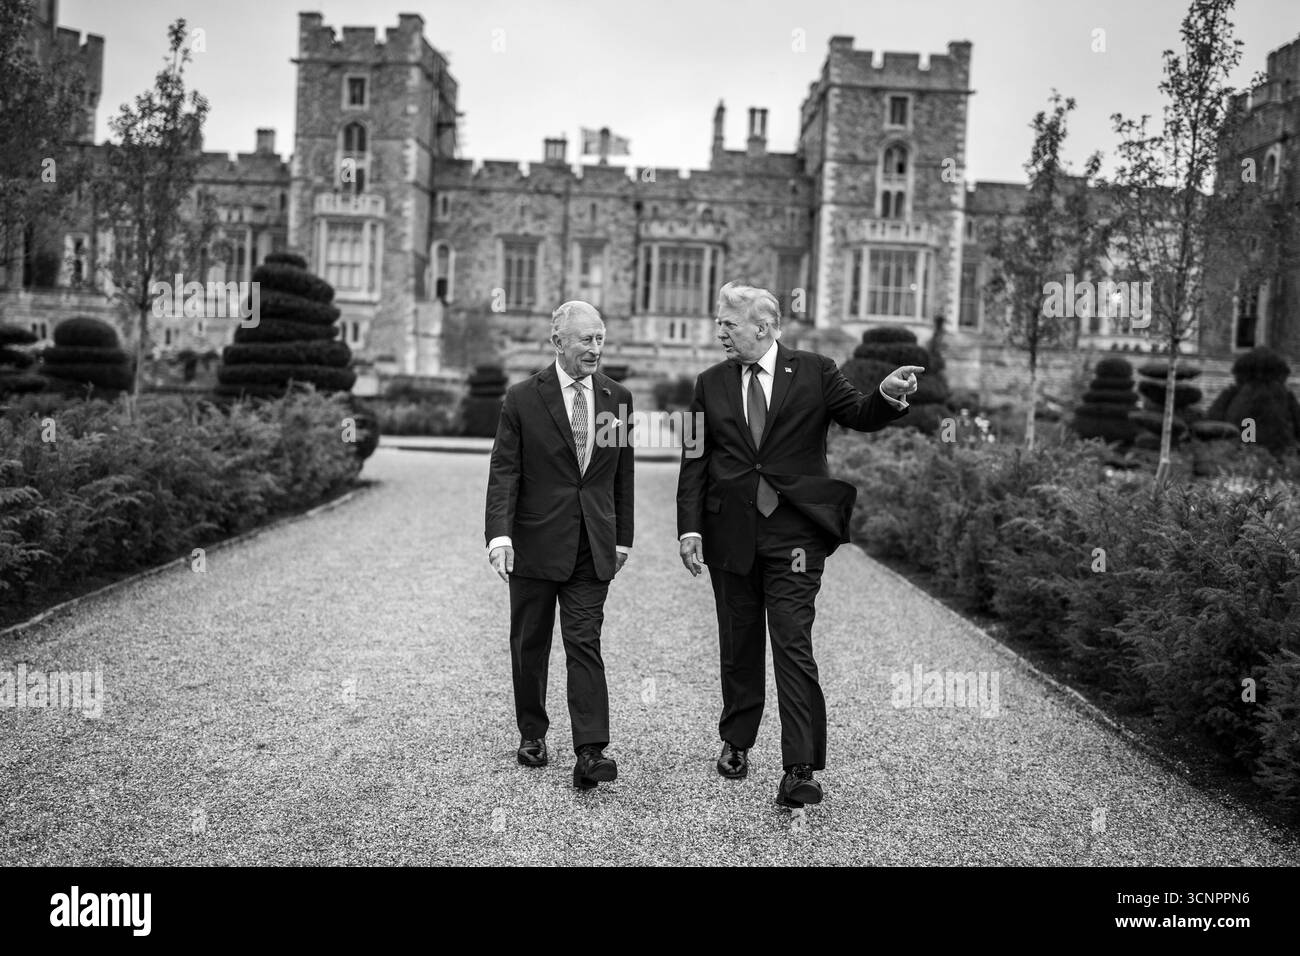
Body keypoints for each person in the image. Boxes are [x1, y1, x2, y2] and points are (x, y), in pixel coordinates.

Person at [676, 282, 922, 808]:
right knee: (739, 646)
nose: (720, 331)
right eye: (720, 323)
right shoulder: (709, 383)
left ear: (762, 328)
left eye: (728, 324)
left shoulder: (814, 370)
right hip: (730, 536)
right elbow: (694, 460)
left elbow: (858, 415)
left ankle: (800, 767)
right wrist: (690, 528)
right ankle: (737, 742)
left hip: (795, 537)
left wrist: (887, 395)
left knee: (792, 645)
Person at [484, 300, 635, 790]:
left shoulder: (618, 398)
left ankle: (591, 752)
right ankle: (532, 731)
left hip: (593, 545)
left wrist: (624, 538)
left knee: (584, 643)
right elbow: (504, 471)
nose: (595, 349)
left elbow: (622, 475)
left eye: (600, 339)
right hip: (533, 543)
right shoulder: (523, 398)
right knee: (530, 644)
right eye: (586, 340)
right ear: (557, 343)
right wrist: (500, 535)